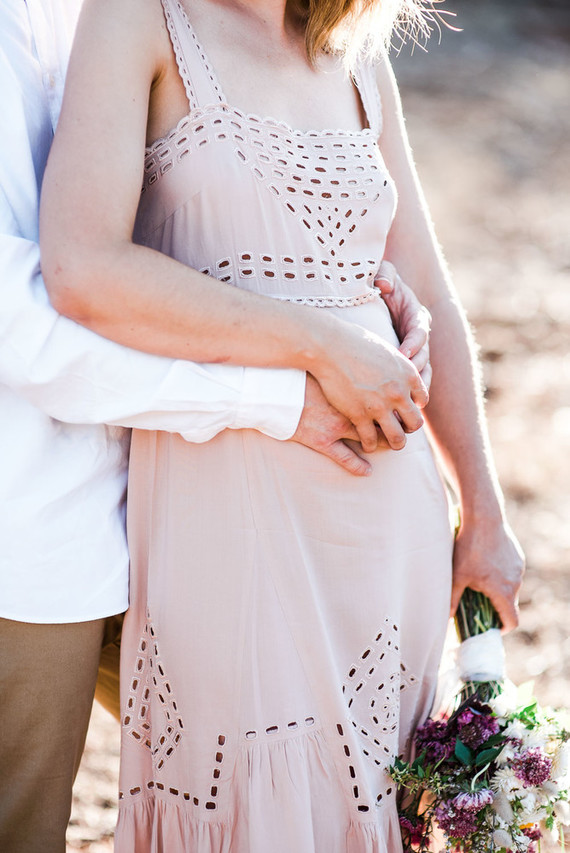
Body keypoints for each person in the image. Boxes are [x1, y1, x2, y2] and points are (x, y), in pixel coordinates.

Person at [40, 0, 525, 849]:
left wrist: (482, 510)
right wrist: (320, 342)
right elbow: (83, 267)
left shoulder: (354, 46)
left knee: (385, 801)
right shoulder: (138, 20)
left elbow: (432, 292)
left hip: (391, 527)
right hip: (231, 502)